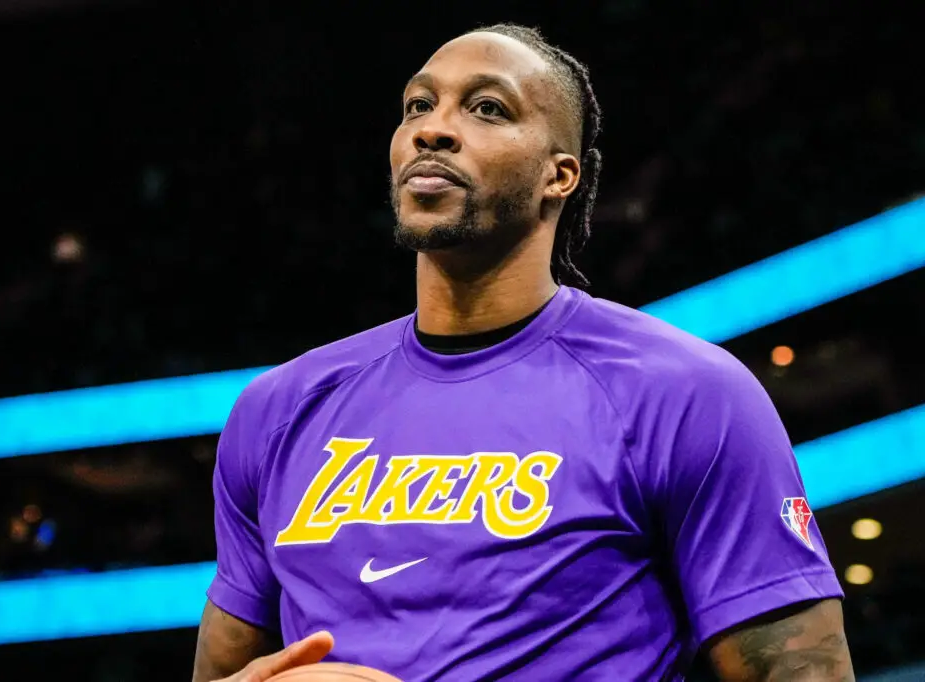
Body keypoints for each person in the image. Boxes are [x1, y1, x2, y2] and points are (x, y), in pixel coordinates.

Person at [193, 23, 854, 682]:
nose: (432, 130)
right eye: (418, 105)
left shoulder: (686, 394)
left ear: (557, 175)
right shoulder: (278, 409)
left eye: (487, 108)